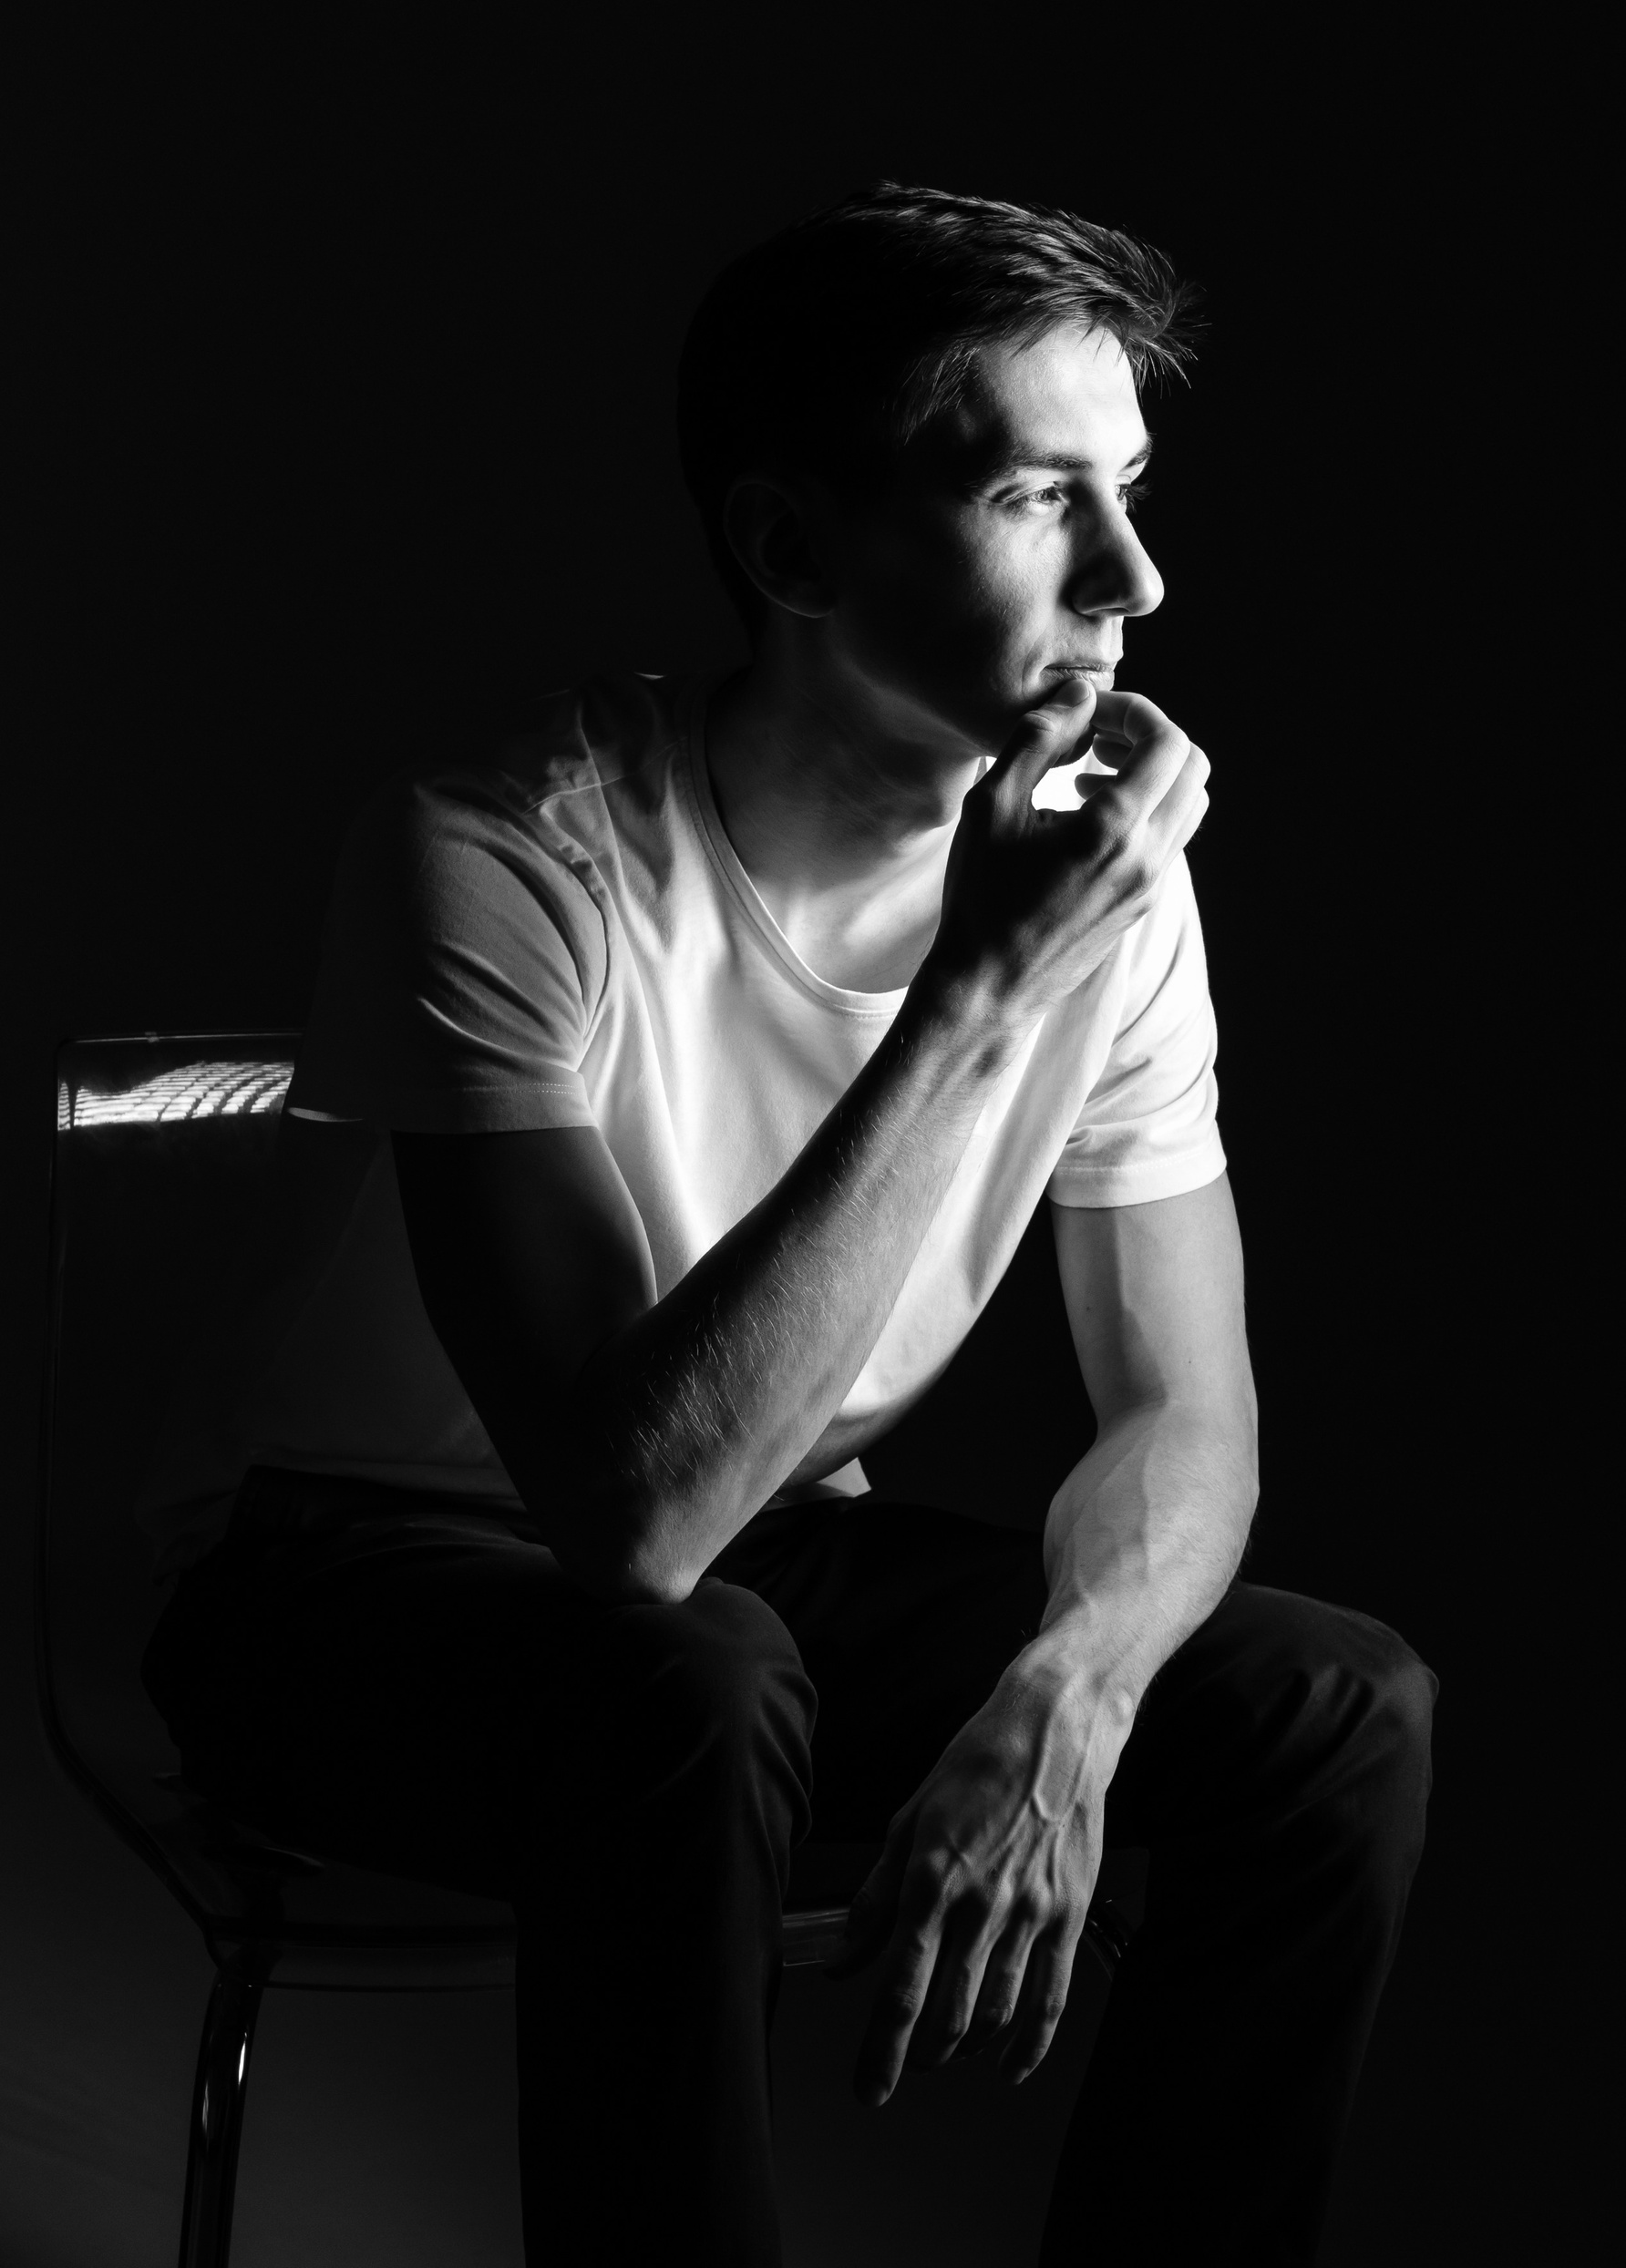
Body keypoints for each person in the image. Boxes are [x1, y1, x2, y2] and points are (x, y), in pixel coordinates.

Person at [139, 183, 1436, 2264]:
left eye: (1131, 489)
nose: (1135, 577)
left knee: (1331, 1705)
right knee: (693, 1674)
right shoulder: (504, 855)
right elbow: (633, 1516)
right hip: (351, 1585)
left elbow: (1187, 1414)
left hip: (756, 1569)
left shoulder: (1114, 892)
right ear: (794, 550)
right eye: (1037, 497)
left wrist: (1073, 1692)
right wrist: (980, 998)